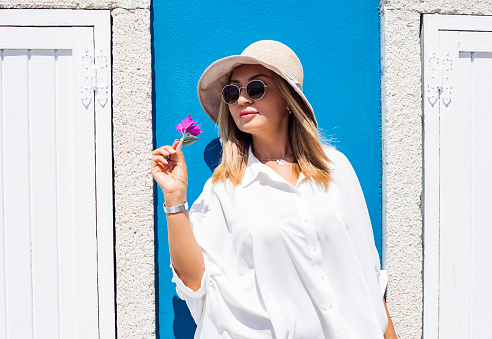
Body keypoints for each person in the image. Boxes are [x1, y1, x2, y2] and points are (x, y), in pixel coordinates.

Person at [151, 40, 397, 338]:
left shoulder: (335, 168)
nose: (241, 100)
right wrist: (175, 198)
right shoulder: (224, 189)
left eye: (255, 88)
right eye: (232, 92)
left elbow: (367, 272)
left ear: (287, 99)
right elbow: (195, 281)